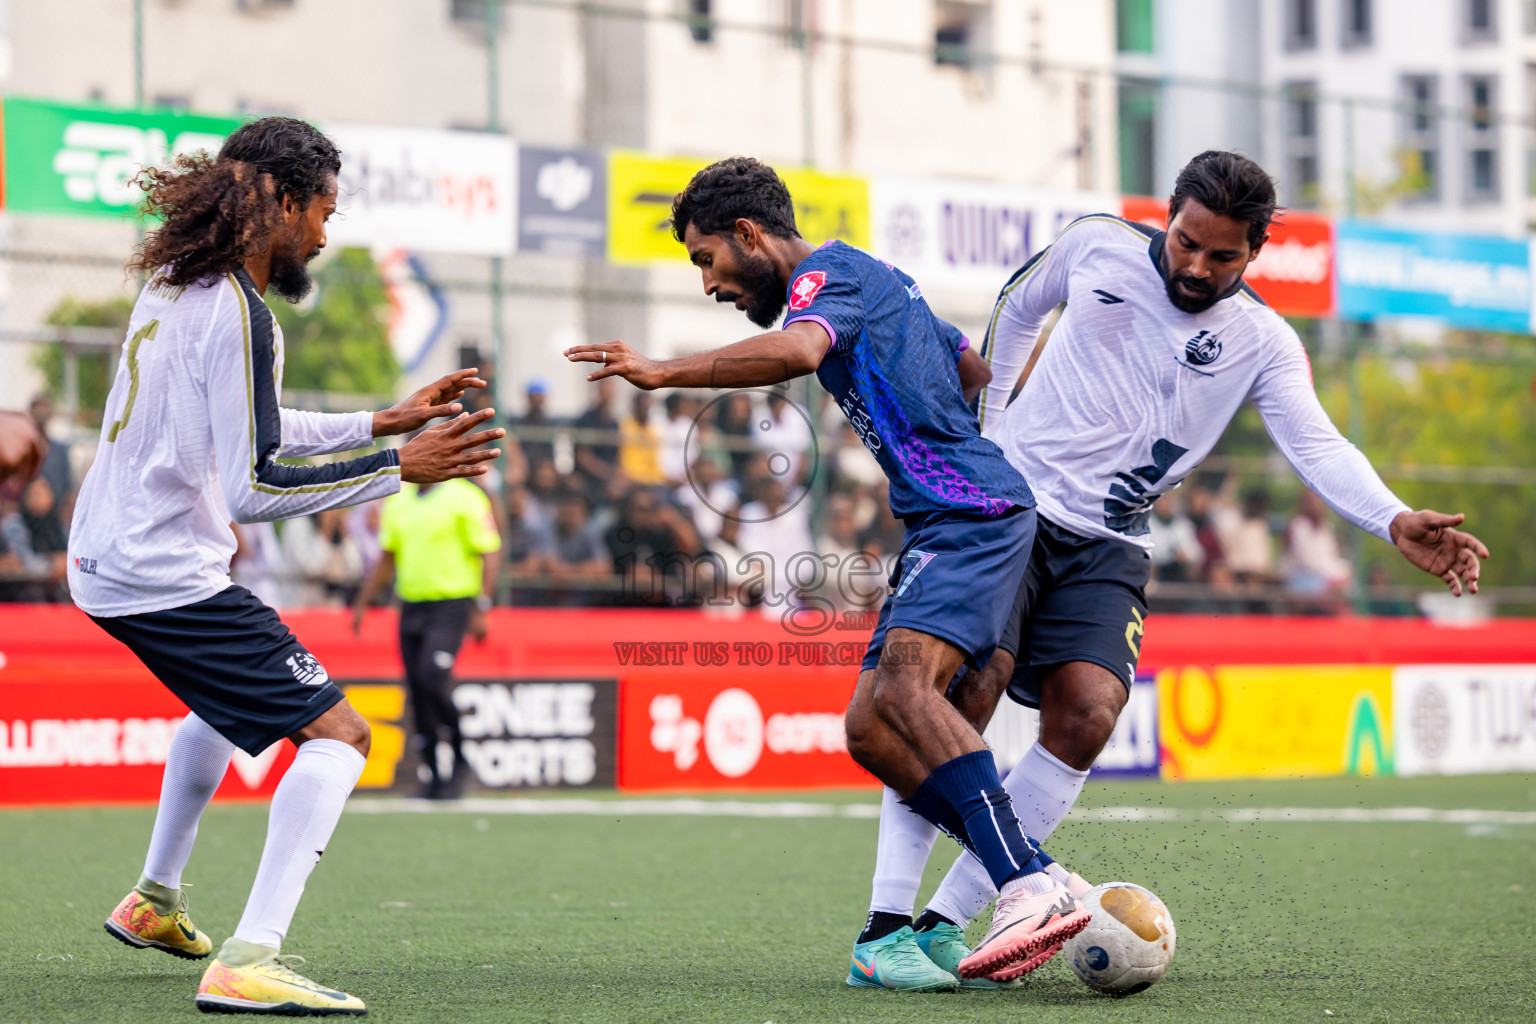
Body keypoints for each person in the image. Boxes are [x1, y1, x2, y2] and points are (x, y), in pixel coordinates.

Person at [865, 150, 1490, 986]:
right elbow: (1018, 307)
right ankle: (884, 929)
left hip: (1110, 541)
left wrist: (1393, 518)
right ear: (1169, 216)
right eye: (1185, 241)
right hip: (1011, 511)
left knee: (1087, 713)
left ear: (1254, 252)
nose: (1194, 265)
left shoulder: (1263, 341)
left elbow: (1315, 442)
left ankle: (949, 926)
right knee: (962, 698)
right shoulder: (1096, 246)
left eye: (1220, 255)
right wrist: (994, 429)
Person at [565, 157, 1085, 989]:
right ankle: (961, 903)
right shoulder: (885, 281)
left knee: (910, 698)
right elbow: (972, 370)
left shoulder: (827, 275)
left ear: (748, 235)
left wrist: (666, 371)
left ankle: (1025, 884)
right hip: (950, 517)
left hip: (973, 515)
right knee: (870, 728)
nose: (709, 284)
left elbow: (802, 350)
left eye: (706, 260)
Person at [68, 117, 502, 1015]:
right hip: (162, 573)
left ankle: (155, 900)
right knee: (342, 737)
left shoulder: (175, 281)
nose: (323, 234)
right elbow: (253, 483)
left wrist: (375, 424)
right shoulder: (241, 312)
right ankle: (250, 957)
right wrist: (398, 469)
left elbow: (251, 423)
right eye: (322, 212)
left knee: (224, 710)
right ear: (280, 200)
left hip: (107, 558)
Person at [351, 475, 502, 799]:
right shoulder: (399, 501)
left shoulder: (465, 497)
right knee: (418, 688)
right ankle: (433, 776)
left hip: (452, 605)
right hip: (411, 607)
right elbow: (387, 558)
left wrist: (483, 606)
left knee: (433, 678)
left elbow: (489, 551)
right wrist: (363, 602)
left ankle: (460, 761)